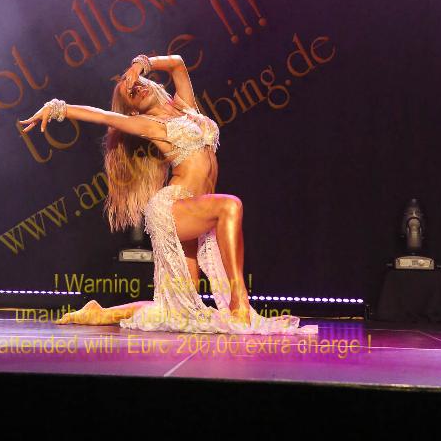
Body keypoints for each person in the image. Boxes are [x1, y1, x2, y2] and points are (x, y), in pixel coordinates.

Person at [20, 53, 317, 335]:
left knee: (180, 311)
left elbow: (177, 64)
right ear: (133, 110)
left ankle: (100, 313)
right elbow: (103, 117)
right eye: (130, 94)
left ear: (149, 82)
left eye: (137, 84)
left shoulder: (185, 106)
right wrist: (57, 109)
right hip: (173, 206)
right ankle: (240, 303)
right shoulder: (148, 124)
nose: (136, 89)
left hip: (195, 208)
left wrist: (141, 64)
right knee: (230, 206)